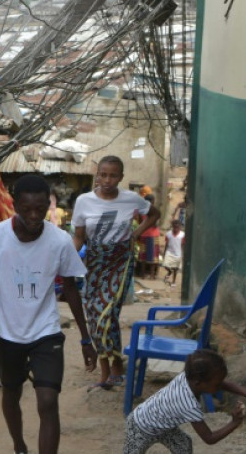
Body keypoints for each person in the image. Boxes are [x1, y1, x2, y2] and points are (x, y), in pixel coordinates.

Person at [0, 174, 97, 454]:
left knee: (48, 401)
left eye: (40, 209)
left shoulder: (60, 241)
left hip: (46, 331)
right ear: (15, 204)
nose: (33, 215)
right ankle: (19, 445)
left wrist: (86, 339)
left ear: (47, 206)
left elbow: (71, 290)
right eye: (26, 208)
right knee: (11, 392)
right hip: (6, 331)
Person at [72, 156, 159, 389]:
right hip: (94, 263)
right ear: (97, 175)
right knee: (93, 314)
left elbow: (154, 214)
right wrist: (68, 262)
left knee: (107, 313)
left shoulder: (131, 199)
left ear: (121, 177)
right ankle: (107, 365)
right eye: (103, 174)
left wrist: (135, 233)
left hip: (120, 262)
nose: (107, 180)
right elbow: (79, 236)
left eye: (113, 175)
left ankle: (115, 367)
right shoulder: (83, 201)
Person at [123, 349, 246, 454]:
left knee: (183, 445)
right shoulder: (188, 404)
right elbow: (209, 438)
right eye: (217, 384)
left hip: (163, 426)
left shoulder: (190, 376)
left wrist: (245, 392)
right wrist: (235, 422)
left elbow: (221, 383)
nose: (220, 386)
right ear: (199, 382)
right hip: (140, 426)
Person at [136, 194, 162, 279]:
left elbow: (140, 223)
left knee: (144, 255)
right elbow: (155, 224)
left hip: (145, 234)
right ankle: (151, 275)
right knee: (153, 256)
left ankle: (143, 274)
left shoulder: (142, 211)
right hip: (152, 234)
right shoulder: (154, 211)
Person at [162, 221, 186, 286]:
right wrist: (164, 253)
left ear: (180, 227)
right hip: (169, 252)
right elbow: (166, 244)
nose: (176, 229)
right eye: (175, 227)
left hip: (178, 253)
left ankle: (173, 281)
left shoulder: (182, 235)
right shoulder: (168, 234)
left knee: (176, 268)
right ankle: (169, 272)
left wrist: (183, 254)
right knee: (165, 265)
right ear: (172, 226)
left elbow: (183, 245)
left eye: (177, 227)